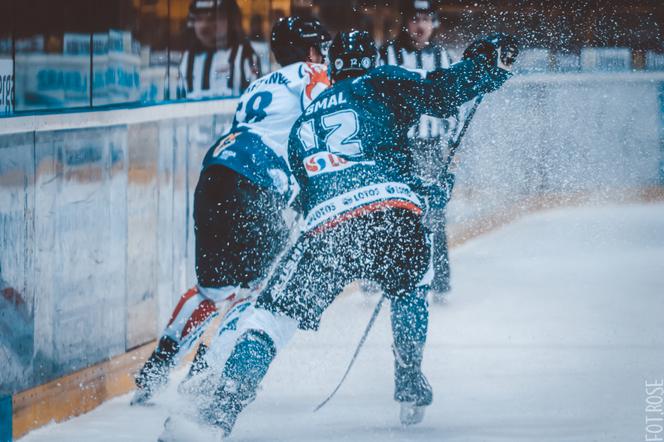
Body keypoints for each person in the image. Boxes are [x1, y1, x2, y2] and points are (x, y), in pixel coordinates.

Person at [157, 30, 518, 440]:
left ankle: (219, 411)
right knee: (411, 283)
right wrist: (489, 65)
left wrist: (417, 190)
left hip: (327, 228)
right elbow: (442, 92)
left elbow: (324, 190)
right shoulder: (381, 81)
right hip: (393, 213)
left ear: (332, 67)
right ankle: (409, 379)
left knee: (271, 318)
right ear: (371, 61)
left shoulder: (302, 125)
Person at [131, 16, 332, 406]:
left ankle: (155, 371)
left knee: (213, 289)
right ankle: (205, 375)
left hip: (214, 175)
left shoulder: (257, 86)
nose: (323, 56)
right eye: (319, 48)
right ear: (309, 50)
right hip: (257, 184)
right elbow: (319, 127)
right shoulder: (313, 73)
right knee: (256, 292)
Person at [379, 0, 457, 302]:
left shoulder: (442, 57)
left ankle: (439, 281)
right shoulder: (387, 56)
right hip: (397, 147)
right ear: (405, 23)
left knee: (434, 214)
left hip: (431, 148)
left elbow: (454, 100)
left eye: (427, 19)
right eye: (415, 19)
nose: (421, 25)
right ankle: (382, 278)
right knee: (390, 210)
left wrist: (448, 139)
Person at [177, 0, 262, 99]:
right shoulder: (187, 58)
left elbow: (255, 100)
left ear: (230, 21)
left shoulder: (245, 54)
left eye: (212, 18)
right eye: (199, 19)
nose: (204, 25)